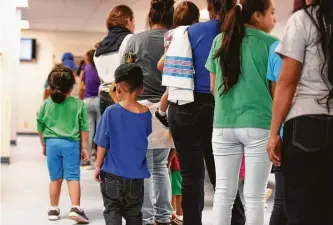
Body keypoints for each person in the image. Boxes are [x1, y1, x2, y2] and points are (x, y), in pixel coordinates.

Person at [168, 1, 245, 225]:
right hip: (219, 108)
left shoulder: (189, 32)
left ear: (209, 7)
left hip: (184, 107)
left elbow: (166, 66)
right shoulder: (239, 33)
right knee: (224, 178)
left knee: (191, 178)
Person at [205, 0, 278, 224]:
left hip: (223, 123)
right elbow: (277, 93)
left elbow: (212, 87)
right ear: (257, 15)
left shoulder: (221, 39)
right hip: (259, 123)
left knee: (224, 193)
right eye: (272, 13)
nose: (274, 18)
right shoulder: (272, 44)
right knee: (255, 197)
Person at [267, 0, 333, 224]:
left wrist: (274, 132)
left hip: (306, 126)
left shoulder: (303, 20)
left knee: (301, 212)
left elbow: (286, 81)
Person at [122, 0, 175, 224]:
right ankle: (163, 216)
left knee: (142, 165)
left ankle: (144, 217)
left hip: (139, 109)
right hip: (167, 108)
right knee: (161, 166)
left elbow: (124, 74)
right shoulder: (176, 40)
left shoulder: (135, 40)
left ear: (149, 18)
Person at [94, 63, 152, 225]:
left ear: (118, 87)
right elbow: (144, 134)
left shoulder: (111, 112)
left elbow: (102, 143)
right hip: (136, 177)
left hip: (112, 175)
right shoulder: (146, 113)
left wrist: (98, 166)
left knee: (112, 211)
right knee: (134, 214)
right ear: (141, 88)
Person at [37, 65, 89, 224]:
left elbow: (40, 127)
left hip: (52, 143)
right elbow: (84, 127)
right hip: (71, 144)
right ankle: (75, 208)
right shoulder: (78, 104)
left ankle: (53, 209)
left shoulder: (45, 104)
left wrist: (43, 144)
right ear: (71, 87)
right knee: (72, 177)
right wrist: (85, 147)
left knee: (55, 178)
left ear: (51, 86)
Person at [155, 1, 200, 127]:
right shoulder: (189, 33)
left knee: (168, 92)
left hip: (170, 67)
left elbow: (165, 54)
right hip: (180, 67)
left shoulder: (169, 34)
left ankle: (161, 112)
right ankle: (161, 112)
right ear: (195, 20)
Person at [94, 5, 135, 115]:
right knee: (124, 131)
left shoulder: (100, 46)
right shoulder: (130, 40)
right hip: (120, 94)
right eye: (133, 21)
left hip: (103, 95)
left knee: (109, 131)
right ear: (128, 20)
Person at [81, 49, 101, 166]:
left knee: (89, 130)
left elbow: (82, 85)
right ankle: (99, 158)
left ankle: (87, 158)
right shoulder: (100, 69)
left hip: (87, 100)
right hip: (99, 100)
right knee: (100, 130)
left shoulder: (86, 68)